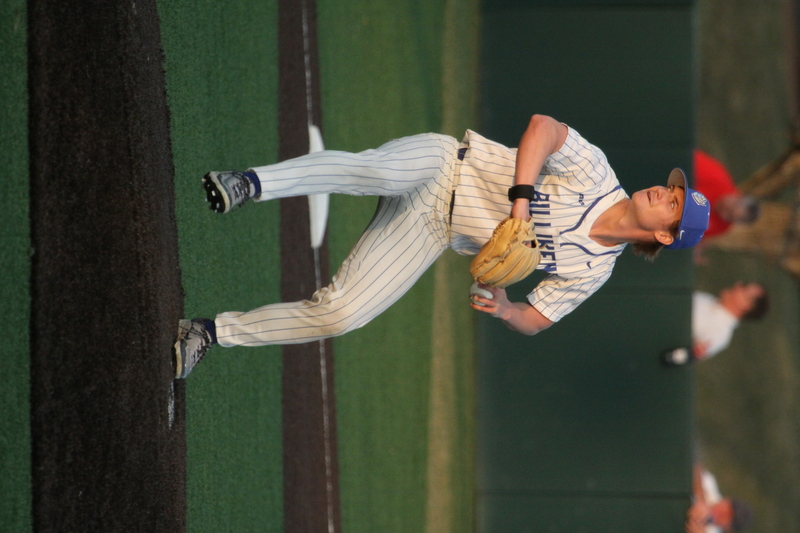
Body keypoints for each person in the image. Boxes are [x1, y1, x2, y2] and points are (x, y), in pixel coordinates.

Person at [172, 114, 710, 378]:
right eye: (673, 189)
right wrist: (521, 200)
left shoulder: (593, 269)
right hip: (442, 166)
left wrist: (504, 308)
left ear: (664, 235)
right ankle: (249, 182)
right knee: (374, 169)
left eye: (673, 205)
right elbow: (543, 128)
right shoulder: (599, 175)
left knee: (341, 314)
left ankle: (209, 332)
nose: (666, 191)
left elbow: (538, 319)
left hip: (432, 233)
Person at [662, 281, 769, 365]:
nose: (738, 284)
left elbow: (679, 356)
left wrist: (693, 352)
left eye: (744, 287)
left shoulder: (720, 334)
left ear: (745, 305)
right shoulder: (710, 299)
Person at [692, 149, 759, 263]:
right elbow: (682, 158)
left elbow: (693, 235)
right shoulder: (715, 175)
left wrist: (694, 249)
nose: (723, 213)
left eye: (729, 216)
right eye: (731, 207)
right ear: (737, 196)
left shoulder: (723, 226)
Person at [686, 464, 754, 533]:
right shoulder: (711, 487)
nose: (723, 514)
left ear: (727, 528)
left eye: (728, 518)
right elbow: (695, 467)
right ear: (727, 500)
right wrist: (701, 500)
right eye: (728, 510)